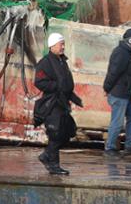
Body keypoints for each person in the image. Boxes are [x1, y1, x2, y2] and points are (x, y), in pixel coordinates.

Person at [34, 33, 83, 175]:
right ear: (52, 45)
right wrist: (56, 86)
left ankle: (47, 156)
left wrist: (74, 98)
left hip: (63, 102)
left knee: (68, 132)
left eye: (63, 44)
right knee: (56, 133)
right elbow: (39, 82)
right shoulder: (45, 62)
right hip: (52, 103)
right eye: (60, 44)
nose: (63, 47)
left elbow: (66, 83)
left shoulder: (62, 61)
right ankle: (54, 165)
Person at [103, 28, 131, 157]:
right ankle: (110, 147)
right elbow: (113, 73)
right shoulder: (122, 53)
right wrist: (106, 88)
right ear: (130, 40)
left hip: (125, 94)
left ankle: (130, 145)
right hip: (119, 94)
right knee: (117, 122)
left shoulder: (126, 53)